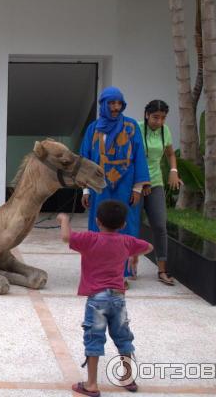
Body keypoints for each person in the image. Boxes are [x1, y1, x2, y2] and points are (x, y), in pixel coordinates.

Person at [57, 201, 153, 396]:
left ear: (97, 221)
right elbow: (149, 247)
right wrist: (133, 255)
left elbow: (66, 237)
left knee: (94, 339)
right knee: (123, 337)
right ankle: (128, 377)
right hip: (118, 299)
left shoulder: (90, 239)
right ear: (123, 224)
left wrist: (64, 219)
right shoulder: (126, 242)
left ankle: (91, 384)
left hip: (97, 301)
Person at [80, 87, 150, 287]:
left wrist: (137, 189)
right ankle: (98, 271)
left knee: (126, 227)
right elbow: (85, 160)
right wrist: (85, 189)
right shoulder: (93, 129)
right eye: (111, 103)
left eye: (119, 103)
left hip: (126, 187)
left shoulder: (131, 127)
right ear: (103, 104)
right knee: (98, 228)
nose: (115, 107)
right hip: (98, 186)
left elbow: (139, 158)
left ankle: (122, 274)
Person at [139, 100, 182, 286]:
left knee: (160, 226)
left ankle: (162, 269)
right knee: (132, 225)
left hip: (156, 183)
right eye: (156, 117)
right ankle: (128, 266)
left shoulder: (165, 131)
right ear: (147, 114)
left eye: (163, 118)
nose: (159, 121)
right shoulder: (137, 128)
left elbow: (170, 154)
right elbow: (133, 156)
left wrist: (173, 171)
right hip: (136, 183)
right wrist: (142, 181)